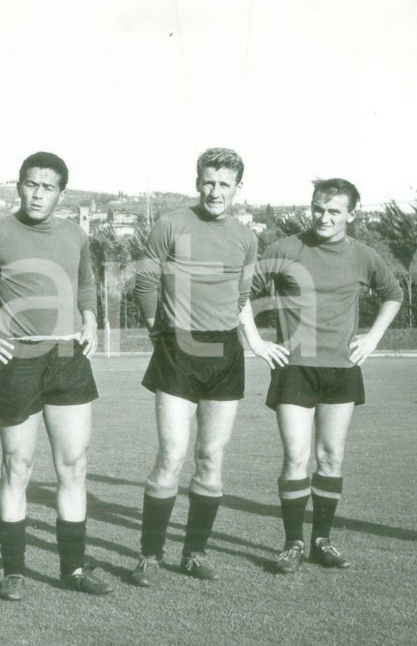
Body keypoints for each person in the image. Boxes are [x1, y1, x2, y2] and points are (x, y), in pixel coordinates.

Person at [0, 151, 113, 601]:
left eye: (47, 186)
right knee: (17, 466)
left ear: (61, 193)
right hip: (17, 361)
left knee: (74, 466)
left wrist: (89, 319)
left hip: (68, 356)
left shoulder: (75, 235)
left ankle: (74, 568)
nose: (37, 193)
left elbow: (86, 281)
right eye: (30, 183)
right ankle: (14, 571)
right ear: (18, 185)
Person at [130, 147, 288, 586]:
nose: (215, 191)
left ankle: (195, 553)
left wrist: (253, 340)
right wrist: (154, 328)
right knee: (171, 454)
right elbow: (145, 279)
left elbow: (241, 298)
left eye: (225, 184)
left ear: (238, 188)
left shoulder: (245, 237)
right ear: (197, 181)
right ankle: (149, 555)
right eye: (209, 182)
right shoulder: (171, 224)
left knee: (210, 457)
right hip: (176, 348)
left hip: (224, 355)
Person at [252, 178, 402, 574]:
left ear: (351, 215)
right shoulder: (284, 249)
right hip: (295, 368)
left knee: (331, 456)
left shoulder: (363, 255)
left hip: (341, 370)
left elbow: (393, 294)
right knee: (296, 457)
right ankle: (292, 544)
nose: (324, 216)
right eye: (319, 208)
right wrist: (257, 341)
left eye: (334, 211)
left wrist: (372, 337)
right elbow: (239, 294)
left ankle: (322, 540)